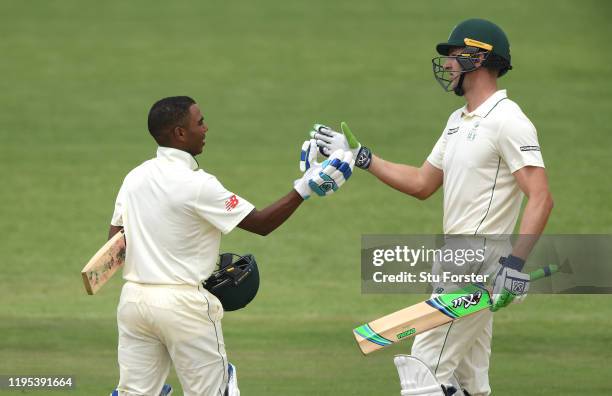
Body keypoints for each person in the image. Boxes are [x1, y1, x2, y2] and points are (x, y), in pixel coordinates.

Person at [310, 19, 553, 395]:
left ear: (479, 57)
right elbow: (423, 183)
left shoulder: (508, 121)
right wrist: (360, 155)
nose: (449, 63)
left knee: (422, 371)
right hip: (454, 256)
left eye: (455, 55)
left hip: (479, 260)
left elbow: (540, 196)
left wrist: (515, 265)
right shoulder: (457, 121)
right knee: (471, 382)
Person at [108, 96, 354, 396]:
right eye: (199, 123)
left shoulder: (134, 177)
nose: (206, 128)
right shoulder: (199, 184)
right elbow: (261, 224)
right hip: (183, 306)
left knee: (134, 393)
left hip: (133, 302)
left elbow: (115, 244)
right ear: (179, 133)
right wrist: (305, 187)